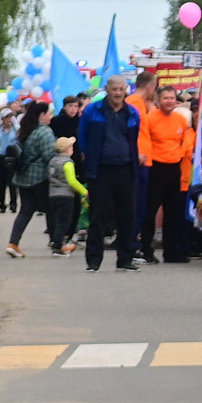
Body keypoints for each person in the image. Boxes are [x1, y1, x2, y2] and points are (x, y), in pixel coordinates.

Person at [77, 76, 143, 270]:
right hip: (101, 170)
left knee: (127, 217)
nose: (117, 93)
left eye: (121, 89)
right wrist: (89, 158)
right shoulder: (92, 111)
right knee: (98, 216)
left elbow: (135, 138)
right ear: (107, 89)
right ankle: (93, 261)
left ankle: (125, 260)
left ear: (125, 91)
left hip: (126, 169)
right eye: (114, 89)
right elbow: (83, 137)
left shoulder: (132, 113)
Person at [137, 83, 196, 264]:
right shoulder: (150, 118)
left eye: (172, 98)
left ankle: (172, 252)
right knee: (150, 211)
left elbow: (185, 142)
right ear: (158, 100)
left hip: (174, 169)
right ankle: (145, 249)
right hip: (155, 168)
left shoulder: (180, 120)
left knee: (174, 212)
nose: (169, 101)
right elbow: (143, 141)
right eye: (166, 98)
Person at [3, 101, 56, 258]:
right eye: (49, 114)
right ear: (42, 115)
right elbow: (48, 156)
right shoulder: (45, 132)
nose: (51, 117)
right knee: (50, 210)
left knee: (25, 211)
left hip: (23, 177)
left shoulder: (25, 130)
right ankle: (57, 243)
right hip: (39, 177)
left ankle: (13, 243)